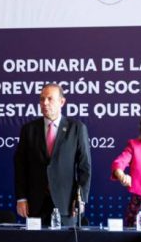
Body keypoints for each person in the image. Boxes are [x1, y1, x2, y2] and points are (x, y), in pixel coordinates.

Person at [14, 83, 91, 226]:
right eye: (42, 99)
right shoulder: (28, 129)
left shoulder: (77, 128)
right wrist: (21, 198)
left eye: (50, 99)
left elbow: (84, 167)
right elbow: (20, 167)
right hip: (35, 204)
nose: (45, 103)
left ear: (62, 102)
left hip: (67, 203)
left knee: (66, 241)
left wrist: (80, 199)